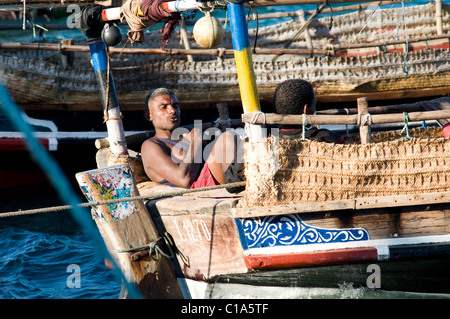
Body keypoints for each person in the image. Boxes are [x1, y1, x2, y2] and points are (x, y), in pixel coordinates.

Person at [141, 88, 240, 189]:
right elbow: (184, 180)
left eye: (175, 106)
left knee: (238, 139)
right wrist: (196, 142)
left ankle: (240, 178)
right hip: (197, 190)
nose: (172, 110)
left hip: (213, 180)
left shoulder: (189, 133)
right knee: (227, 138)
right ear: (148, 115)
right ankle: (237, 184)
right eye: (163, 107)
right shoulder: (150, 146)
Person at [272, 79, 343, 143]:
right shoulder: (323, 137)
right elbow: (341, 141)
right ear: (305, 110)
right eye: (314, 105)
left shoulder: (267, 134)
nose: (314, 110)